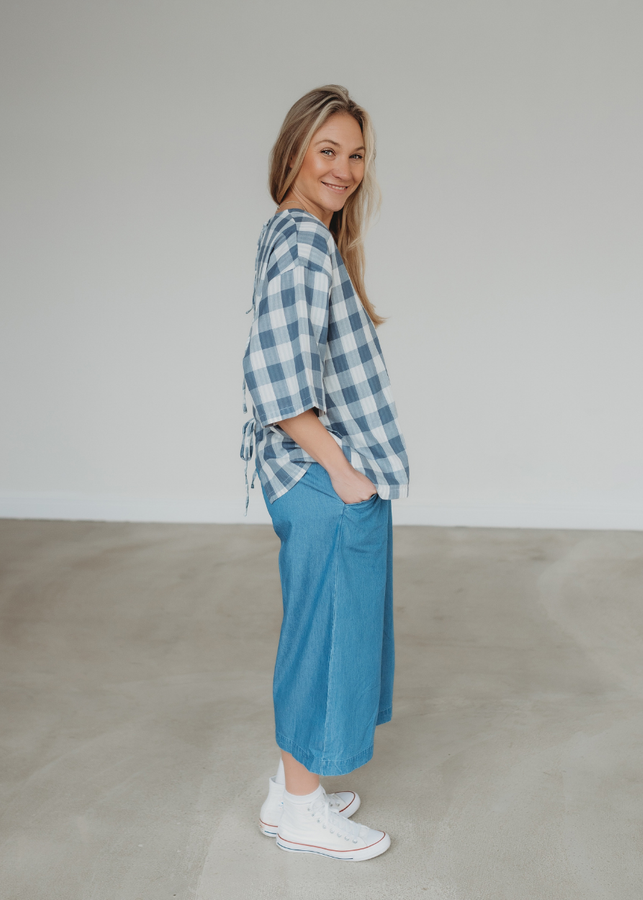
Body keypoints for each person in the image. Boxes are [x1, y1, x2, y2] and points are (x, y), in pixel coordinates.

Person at [241, 85, 409, 861]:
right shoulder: (306, 243)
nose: (345, 170)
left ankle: (289, 791)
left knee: (317, 632)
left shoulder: (296, 235)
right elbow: (277, 388)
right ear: (296, 155)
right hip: (320, 482)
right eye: (329, 151)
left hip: (309, 480)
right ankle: (306, 811)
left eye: (357, 155)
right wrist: (343, 471)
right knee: (324, 639)